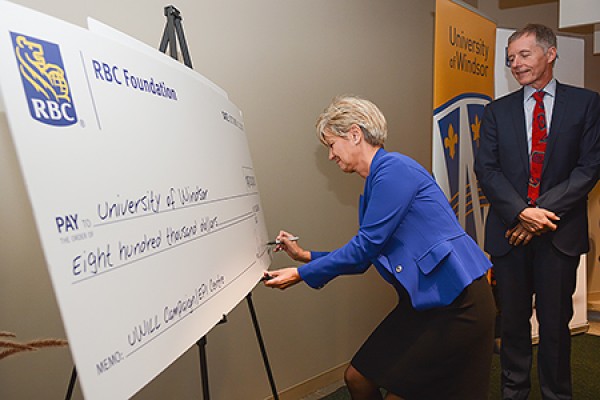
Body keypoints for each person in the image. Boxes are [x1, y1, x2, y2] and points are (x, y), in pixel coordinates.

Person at [264, 95, 495, 400]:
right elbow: (365, 256)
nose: (331, 156)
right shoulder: (377, 180)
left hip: (458, 303)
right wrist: (304, 256)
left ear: (355, 134)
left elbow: (363, 248)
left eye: (332, 145)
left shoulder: (394, 169)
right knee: (357, 377)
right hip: (426, 302)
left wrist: (300, 274)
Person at [474, 24, 600, 400]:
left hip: (559, 235)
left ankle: (556, 395)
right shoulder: (496, 111)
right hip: (509, 235)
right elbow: (487, 170)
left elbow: (589, 167)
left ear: (550, 53)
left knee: (556, 328)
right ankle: (513, 394)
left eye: (524, 55)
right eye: (510, 58)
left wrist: (536, 214)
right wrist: (520, 212)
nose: (515, 64)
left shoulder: (586, 104)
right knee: (512, 326)